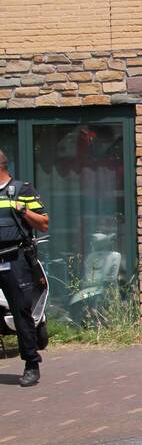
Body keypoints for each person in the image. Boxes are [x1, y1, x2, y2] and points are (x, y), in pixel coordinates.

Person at [0, 150, 49, 387]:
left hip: (15, 258)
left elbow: (44, 223)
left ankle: (31, 364)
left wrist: (23, 210)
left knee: (21, 312)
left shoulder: (22, 190)